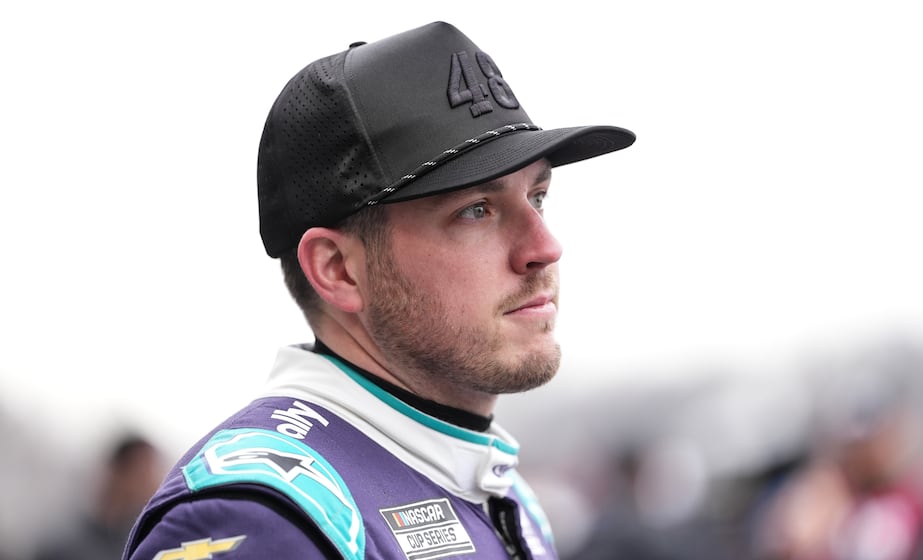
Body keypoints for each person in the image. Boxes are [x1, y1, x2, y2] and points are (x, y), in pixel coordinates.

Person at [123, 21, 634, 560]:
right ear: (339, 269)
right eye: (476, 211)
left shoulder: (505, 495)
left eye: (538, 196)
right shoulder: (264, 517)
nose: (544, 246)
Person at [33, 433, 165, 560]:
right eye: (142, 474)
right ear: (118, 471)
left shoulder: (140, 545)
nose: (152, 485)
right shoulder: (62, 541)